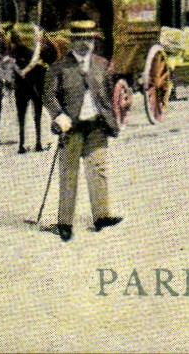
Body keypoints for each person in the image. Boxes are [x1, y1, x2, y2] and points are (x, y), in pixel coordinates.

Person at [43, 19, 122, 241]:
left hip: (96, 126)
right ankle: (65, 222)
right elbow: (48, 95)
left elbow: (107, 95)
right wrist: (59, 116)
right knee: (69, 173)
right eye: (79, 39)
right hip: (72, 128)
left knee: (99, 169)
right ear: (71, 41)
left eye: (88, 39)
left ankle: (102, 216)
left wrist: (111, 119)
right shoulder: (58, 67)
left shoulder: (102, 65)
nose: (84, 43)